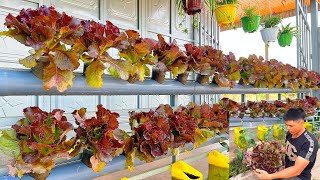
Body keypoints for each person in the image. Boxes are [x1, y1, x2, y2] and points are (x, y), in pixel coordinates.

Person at [255, 108, 318, 180]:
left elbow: (296, 170)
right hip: (285, 170)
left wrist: (270, 176)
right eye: (286, 125)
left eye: (291, 126)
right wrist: (270, 150)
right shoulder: (290, 133)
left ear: (301, 122)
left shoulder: (309, 143)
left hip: (298, 177)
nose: (288, 128)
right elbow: (287, 148)